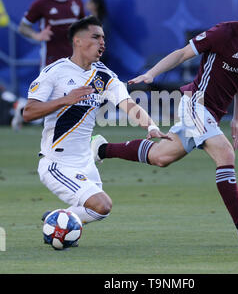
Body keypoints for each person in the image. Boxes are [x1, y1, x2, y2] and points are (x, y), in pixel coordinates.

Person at [91, 0, 238, 245]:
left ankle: (102, 149)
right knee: (225, 154)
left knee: (160, 157)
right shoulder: (223, 33)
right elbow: (182, 53)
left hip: (213, 113)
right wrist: (151, 74)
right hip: (195, 103)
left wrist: (237, 117)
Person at [22, 16, 169, 245]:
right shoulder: (55, 72)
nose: (103, 42)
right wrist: (65, 100)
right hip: (57, 163)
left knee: (100, 211)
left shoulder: (104, 76)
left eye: (103, 38)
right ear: (78, 41)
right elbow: (28, 112)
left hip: (85, 163)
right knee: (102, 204)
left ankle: (57, 218)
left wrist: (151, 126)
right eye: (96, 37)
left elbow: (128, 104)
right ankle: (58, 223)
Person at [13, 0, 85, 131]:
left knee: (73, 103)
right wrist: (37, 35)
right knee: (45, 108)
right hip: (50, 62)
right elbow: (23, 26)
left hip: (74, 62)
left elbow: (83, 28)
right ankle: (21, 109)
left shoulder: (76, 1)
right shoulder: (42, 3)